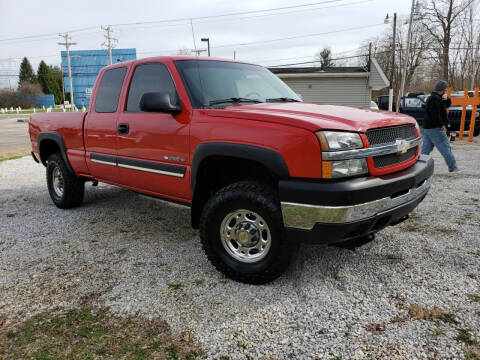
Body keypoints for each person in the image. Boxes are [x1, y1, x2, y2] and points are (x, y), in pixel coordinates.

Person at [421, 80, 459, 172]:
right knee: (446, 148)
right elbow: (435, 115)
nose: (446, 91)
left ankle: (421, 168)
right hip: (435, 129)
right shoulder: (435, 99)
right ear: (442, 89)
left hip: (427, 128)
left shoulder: (437, 97)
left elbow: (448, 105)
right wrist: (441, 125)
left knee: (425, 151)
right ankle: (453, 167)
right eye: (445, 89)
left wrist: (447, 98)